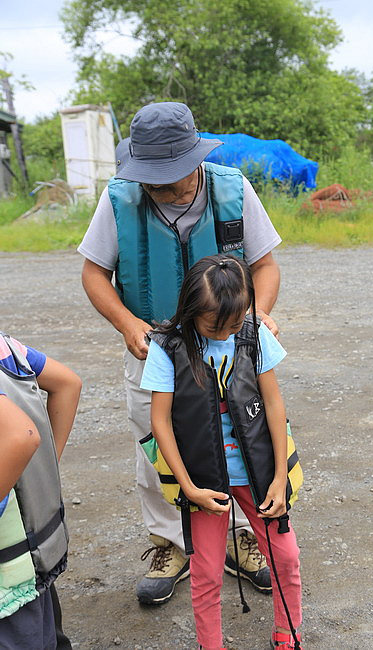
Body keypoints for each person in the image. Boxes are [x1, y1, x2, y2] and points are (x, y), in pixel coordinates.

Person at [77, 101, 282, 605]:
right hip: (156, 351)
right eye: (157, 180)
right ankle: (170, 542)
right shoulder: (120, 199)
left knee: (237, 439)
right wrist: (127, 323)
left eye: (178, 177)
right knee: (156, 447)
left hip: (226, 347)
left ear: (196, 158)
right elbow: (92, 273)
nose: (170, 188)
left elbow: (266, 266)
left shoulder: (233, 189)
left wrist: (256, 314)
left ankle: (238, 536)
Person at [141, 254, 302, 650]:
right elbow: (160, 422)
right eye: (215, 326)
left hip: (259, 475)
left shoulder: (252, 334)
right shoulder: (169, 346)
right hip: (202, 482)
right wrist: (188, 487)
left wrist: (280, 477)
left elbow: (275, 405)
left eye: (234, 323)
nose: (225, 333)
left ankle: (288, 634)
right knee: (207, 571)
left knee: (286, 557)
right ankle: (210, 644)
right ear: (192, 310)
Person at [0, 333, 82, 649]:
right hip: (35, 554)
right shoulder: (8, 347)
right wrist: (48, 463)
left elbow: (22, 437)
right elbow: (69, 383)